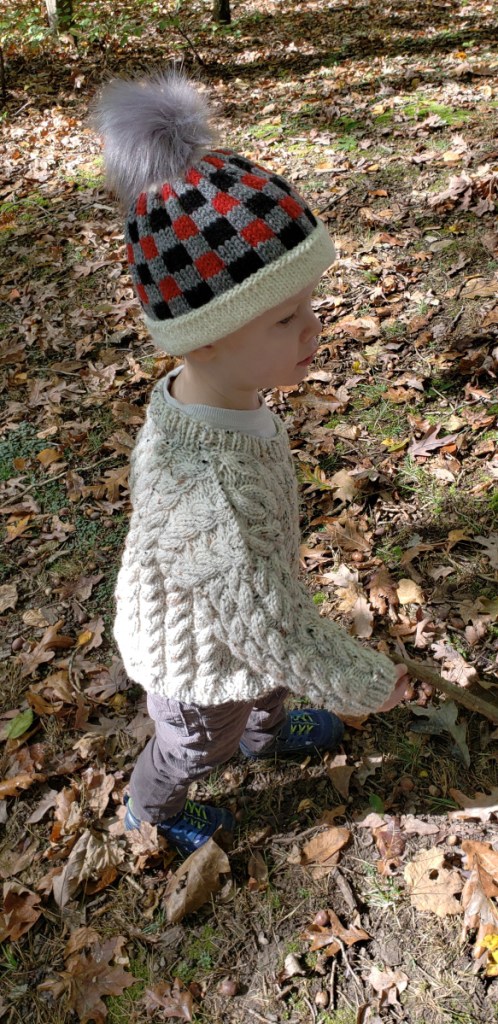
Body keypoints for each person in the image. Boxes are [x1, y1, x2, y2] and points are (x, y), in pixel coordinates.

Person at [93, 71, 409, 856]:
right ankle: (149, 809)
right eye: (285, 319)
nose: (315, 332)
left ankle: (267, 730)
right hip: (195, 657)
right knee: (199, 745)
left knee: (261, 687)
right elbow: (266, 625)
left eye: (310, 306)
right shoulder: (208, 484)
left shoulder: (213, 398)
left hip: (242, 611)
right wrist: (363, 681)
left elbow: (261, 609)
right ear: (204, 335)